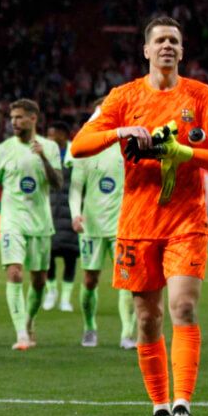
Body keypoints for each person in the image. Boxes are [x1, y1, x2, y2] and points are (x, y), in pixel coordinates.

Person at [70, 16, 208, 416]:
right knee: (146, 318)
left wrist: (183, 152)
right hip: (138, 222)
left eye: (174, 41)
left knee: (183, 306)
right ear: (145, 50)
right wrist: (118, 130)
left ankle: (183, 404)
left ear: (182, 50)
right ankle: (159, 407)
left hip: (186, 220)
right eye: (159, 40)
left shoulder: (200, 95)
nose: (167, 46)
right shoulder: (123, 97)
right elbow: (78, 145)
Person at [0, 99, 63, 350]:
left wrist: (44, 160)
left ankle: (29, 321)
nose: (14, 122)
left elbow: (58, 183)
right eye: (12, 118)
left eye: (19, 117)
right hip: (11, 220)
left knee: (39, 280)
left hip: (40, 222)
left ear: (33, 119)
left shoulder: (49, 147)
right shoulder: (2, 149)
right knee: (15, 272)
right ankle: (20, 334)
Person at [69, 102, 136, 349]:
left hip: (123, 225)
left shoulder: (128, 146)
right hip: (91, 226)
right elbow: (76, 188)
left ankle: (128, 334)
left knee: (127, 280)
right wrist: (75, 214)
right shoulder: (86, 148)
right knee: (89, 280)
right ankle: (89, 328)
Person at [43, 120, 78, 313]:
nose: (49, 138)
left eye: (53, 134)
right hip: (49, 212)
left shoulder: (77, 154)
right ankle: (51, 292)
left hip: (71, 213)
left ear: (64, 135)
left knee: (70, 257)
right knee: (49, 256)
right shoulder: (44, 156)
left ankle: (65, 298)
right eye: (48, 134)